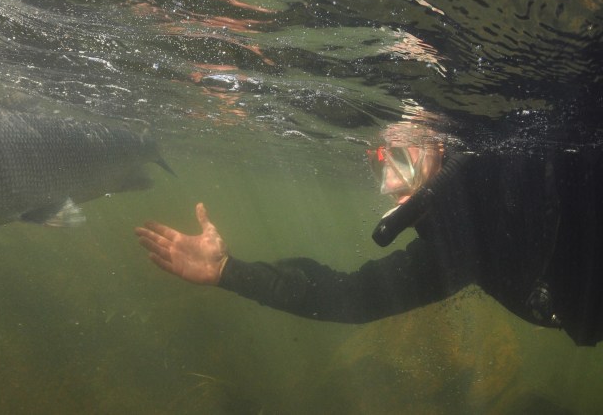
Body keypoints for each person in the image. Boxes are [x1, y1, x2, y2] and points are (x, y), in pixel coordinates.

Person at [134, 124, 603, 346]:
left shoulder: (537, 161)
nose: (391, 184)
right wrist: (228, 272)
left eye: (401, 157)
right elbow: (352, 297)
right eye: (378, 163)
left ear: (444, 149)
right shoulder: (461, 249)